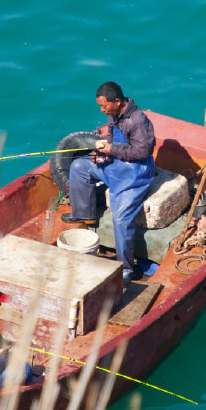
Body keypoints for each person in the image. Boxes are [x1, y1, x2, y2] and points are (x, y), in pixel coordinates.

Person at [62, 81, 156, 282]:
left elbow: (143, 151)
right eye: (100, 106)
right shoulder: (114, 116)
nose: (102, 109)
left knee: (121, 219)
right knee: (79, 166)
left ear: (117, 101)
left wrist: (111, 150)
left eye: (104, 105)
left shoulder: (138, 121)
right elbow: (114, 142)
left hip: (136, 174)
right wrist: (102, 154)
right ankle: (83, 213)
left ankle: (126, 268)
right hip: (116, 165)